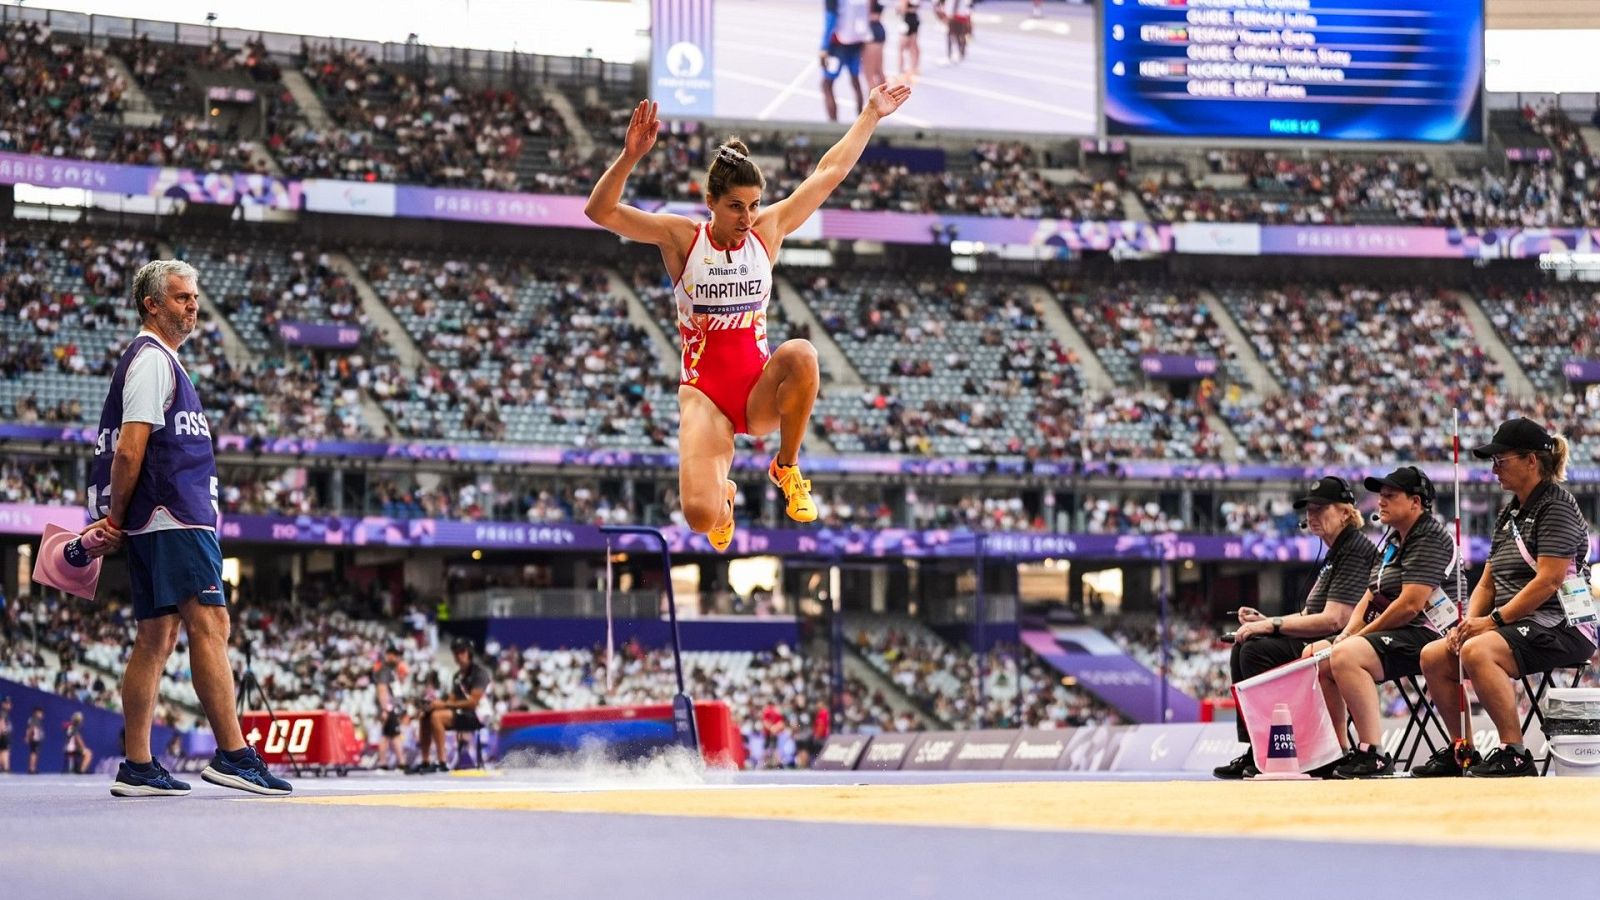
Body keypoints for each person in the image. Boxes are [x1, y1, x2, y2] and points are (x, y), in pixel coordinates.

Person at [584, 83, 911, 553]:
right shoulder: (682, 238)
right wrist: (630, 156)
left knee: (802, 353)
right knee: (699, 518)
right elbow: (601, 211)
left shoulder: (767, 231)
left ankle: (787, 466)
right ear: (711, 201)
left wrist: (871, 115)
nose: (746, 216)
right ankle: (726, 498)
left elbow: (829, 172)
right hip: (706, 396)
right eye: (736, 206)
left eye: (754, 205)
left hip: (756, 389)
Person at [87, 260, 292, 798]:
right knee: (211, 622)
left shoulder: (158, 361)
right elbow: (130, 450)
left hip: (156, 516)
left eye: (195, 297)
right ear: (152, 304)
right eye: (181, 297)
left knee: (156, 636)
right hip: (171, 513)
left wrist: (120, 518)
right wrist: (114, 517)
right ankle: (233, 754)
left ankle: (137, 765)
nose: (192, 305)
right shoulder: (153, 361)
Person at [1416, 419, 1598, 777]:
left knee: (1478, 650)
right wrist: (1466, 624)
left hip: (1564, 626)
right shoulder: (1510, 512)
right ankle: (1462, 751)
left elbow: (1549, 580)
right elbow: (1487, 582)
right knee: (1435, 655)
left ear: (1531, 460)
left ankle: (1515, 752)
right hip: (1521, 624)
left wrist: (1492, 623)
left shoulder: (1556, 506)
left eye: (1501, 459)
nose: (1494, 468)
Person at [1213, 476, 1377, 779]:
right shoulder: (1334, 552)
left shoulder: (1354, 550)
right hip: (1321, 634)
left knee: (1254, 652)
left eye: (1320, 509)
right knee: (1244, 646)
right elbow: (1308, 613)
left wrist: (1272, 626)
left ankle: (1263, 747)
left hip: (1338, 639)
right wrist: (1265, 622)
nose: (1312, 516)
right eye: (1309, 510)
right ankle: (1256, 747)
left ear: (1345, 512)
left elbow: (1335, 619)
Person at [1311, 467, 1463, 779]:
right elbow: (1371, 594)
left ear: (1415, 503)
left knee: (1347, 655)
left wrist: (1358, 637)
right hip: (1399, 633)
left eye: (1390, 496)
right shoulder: (1393, 539)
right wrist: (1348, 632)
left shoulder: (1430, 537)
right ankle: (1336, 750)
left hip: (1430, 634)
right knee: (1318, 656)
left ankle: (1373, 753)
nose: (1380, 502)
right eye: (1380, 496)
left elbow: (1409, 605)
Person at [414, 638, 490, 773]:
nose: (458, 656)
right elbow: (452, 698)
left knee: (437, 716)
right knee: (425, 716)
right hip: (462, 713)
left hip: (478, 715)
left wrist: (443, 705)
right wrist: (433, 704)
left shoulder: (480, 673)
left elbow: (473, 703)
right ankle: (425, 762)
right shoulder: (457, 676)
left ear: (469, 653)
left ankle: (442, 763)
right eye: (455, 653)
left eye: (462, 652)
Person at [820, 0, 871, 121]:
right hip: (857, 41)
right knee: (855, 80)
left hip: (838, 44)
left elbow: (831, 18)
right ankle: (861, 124)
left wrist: (823, 47)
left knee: (826, 84)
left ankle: (833, 125)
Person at [374, 644, 407, 770]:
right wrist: (385, 709)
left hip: (392, 707)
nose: (398, 658)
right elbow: (382, 689)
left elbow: (395, 689)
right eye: (396, 655)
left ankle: (384, 763)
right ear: (389, 655)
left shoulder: (391, 670)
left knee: (387, 735)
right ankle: (401, 763)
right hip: (389, 708)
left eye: (399, 655)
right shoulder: (384, 670)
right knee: (394, 735)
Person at [938, 0, 974, 65]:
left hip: (958, 16)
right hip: (955, 15)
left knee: (956, 35)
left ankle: (956, 53)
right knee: (953, 35)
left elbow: (966, 5)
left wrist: (952, 14)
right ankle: (957, 53)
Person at [897, 1, 927, 78]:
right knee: (913, 46)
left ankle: (901, 69)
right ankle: (914, 68)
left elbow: (902, 10)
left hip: (907, 21)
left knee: (901, 48)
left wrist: (898, 9)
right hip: (915, 19)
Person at [26, 708, 44, 774]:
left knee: (35, 753)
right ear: (36, 713)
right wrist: (28, 737)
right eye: (41, 713)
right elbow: (30, 728)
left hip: (36, 739)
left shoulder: (35, 720)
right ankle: (31, 768)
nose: (42, 715)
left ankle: (33, 768)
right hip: (34, 739)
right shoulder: (34, 719)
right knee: (33, 753)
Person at [0, 696, 12, 772]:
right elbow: (1, 722)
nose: (8, 705)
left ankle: (2, 767)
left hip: (4, 734)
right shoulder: (3, 712)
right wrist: (1, 732)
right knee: (5, 750)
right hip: (3, 735)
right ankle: (6, 767)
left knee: (2, 750)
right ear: (2, 704)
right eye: (6, 703)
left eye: (9, 703)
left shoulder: (5, 713)